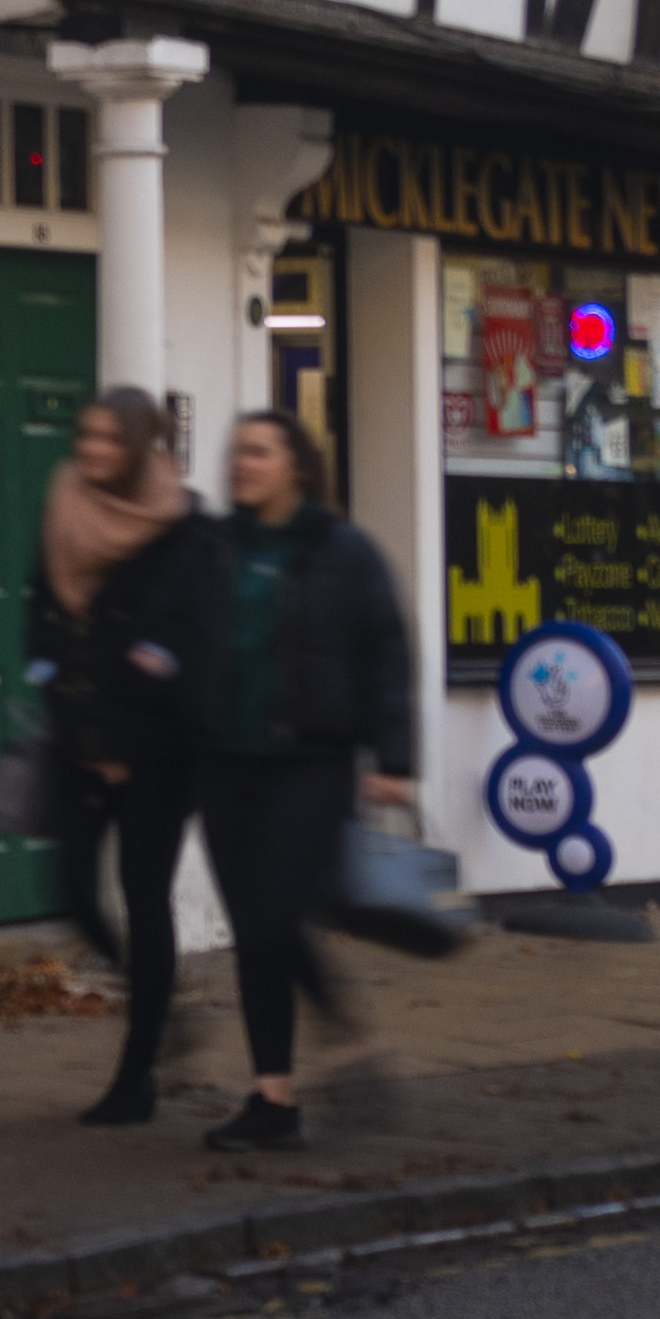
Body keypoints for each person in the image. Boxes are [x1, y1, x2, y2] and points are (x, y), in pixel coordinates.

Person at [188, 403, 419, 1155]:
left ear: (294, 464)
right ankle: (274, 1098)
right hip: (226, 765)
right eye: (236, 453)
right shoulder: (216, 548)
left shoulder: (342, 551)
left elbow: (385, 652)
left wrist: (395, 760)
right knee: (254, 935)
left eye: (257, 452)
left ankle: (328, 1051)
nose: (241, 464)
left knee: (275, 921)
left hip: (310, 765)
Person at [33, 383, 202, 1124]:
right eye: (87, 437)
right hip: (79, 740)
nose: (92, 452)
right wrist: (52, 685)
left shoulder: (179, 528)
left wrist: (128, 737)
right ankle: (158, 1005)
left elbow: (174, 645)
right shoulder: (66, 500)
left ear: (138, 450)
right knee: (71, 890)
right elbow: (41, 611)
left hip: (155, 753)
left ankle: (138, 1075)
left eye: (109, 441)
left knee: (144, 898)